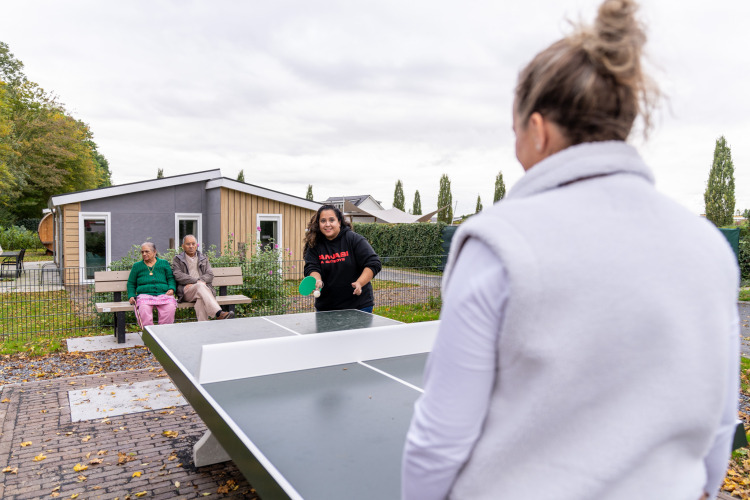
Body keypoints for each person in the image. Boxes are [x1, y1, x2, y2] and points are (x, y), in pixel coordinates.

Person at [402, 1, 739, 499]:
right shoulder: (709, 247)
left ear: (537, 130)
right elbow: (718, 422)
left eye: (515, 129)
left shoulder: (498, 241)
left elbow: (439, 440)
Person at [303, 205, 382, 313]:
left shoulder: (353, 239)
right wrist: (317, 280)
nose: (327, 224)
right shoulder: (314, 244)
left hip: (358, 306)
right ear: (318, 224)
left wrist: (360, 283)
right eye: (323, 221)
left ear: (339, 222)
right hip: (326, 308)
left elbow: (373, 263)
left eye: (332, 220)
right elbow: (311, 267)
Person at [172, 234, 234, 321]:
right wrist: (197, 282)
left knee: (200, 299)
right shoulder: (177, 259)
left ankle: (204, 328)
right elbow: (178, 275)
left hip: (203, 290)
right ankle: (218, 313)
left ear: (196, 245)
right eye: (188, 244)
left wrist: (199, 283)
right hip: (186, 291)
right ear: (183, 246)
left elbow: (210, 275)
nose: (191, 246)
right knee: (200, 286)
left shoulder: (203, 258)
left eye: (193, 244)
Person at [127, 242, 178, 327]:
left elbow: (171, 278)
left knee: (170, 308)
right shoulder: (137, 266)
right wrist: (131, 295)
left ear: (154, 252)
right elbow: (131, 283)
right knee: (144, 310)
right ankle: (149, 334)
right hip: (144, 295)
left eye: (147, 251)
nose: (144, 254)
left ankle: (163, 333)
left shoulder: (164, 263)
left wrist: (172, 289)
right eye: (142, 252)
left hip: (163, 294)